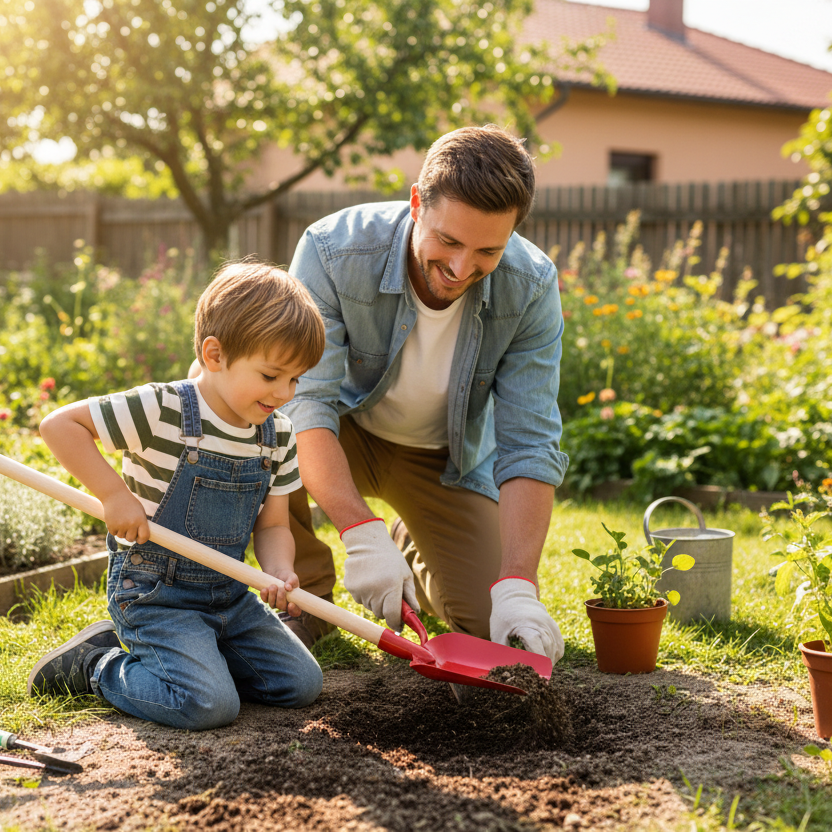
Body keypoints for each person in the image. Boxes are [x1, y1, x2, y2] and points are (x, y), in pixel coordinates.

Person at [280, 124, 569, 664]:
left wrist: (517, 585)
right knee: (260, 412)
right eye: (450, 241)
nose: (462, 269)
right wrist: (357, 532)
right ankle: (307, 600)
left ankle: (407, 545)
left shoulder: (529, 286)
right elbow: (305, 402)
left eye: (487, 250)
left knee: (488, 622)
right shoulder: (333, 250)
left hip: (439, 459)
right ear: (417, 203)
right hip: (339, 431)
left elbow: (529, 442)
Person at [28, 261, 326, 731]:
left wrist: (279, 569)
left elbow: (272, 525)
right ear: (214, 354)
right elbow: (59, 426)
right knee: (209, 707)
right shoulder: (164, 408)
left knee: (301, 684)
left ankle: (198, 659)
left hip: (229, 596)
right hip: (154, 594)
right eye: (271, 375)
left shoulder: (277, 435)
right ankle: (95, 665)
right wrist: (114, 495)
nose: (284, 393)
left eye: (295, 379)